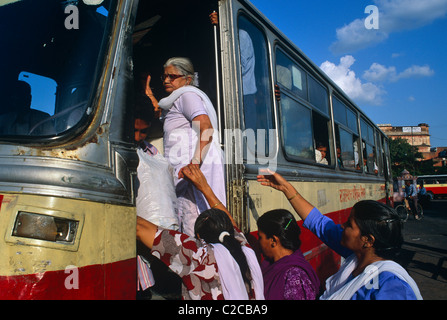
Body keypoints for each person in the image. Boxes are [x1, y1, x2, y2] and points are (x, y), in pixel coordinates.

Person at [257, 169, 422, 300]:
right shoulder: (357, 257)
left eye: (349, 225)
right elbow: (318, 222)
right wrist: (286, 188)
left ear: (368, 240)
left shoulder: (391, 286)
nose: (342, 226)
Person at [136, 164, 264, 300]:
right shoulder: (244, 250)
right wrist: (205, 187)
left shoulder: (197, 255)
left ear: (198, 237)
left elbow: (139, 228)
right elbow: (232, 225)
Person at [145, 57, 226, 237]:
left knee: (194, 230)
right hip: (183, 174)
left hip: (190, 174)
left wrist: (194, 164)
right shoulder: (173, 101)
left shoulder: (187, 96)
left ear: (187, 79)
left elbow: (206, 128)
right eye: (164, 76)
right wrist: (150, 96)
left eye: (172, 76)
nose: (166, 80)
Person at [257, 209, 320, 300]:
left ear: (273, 241)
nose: (258, 242)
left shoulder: (294, 276)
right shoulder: (273, 265)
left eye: (260, 237)